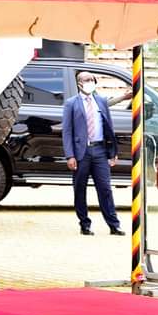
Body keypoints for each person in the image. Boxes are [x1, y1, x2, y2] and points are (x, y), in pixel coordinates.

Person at [62, 70, 123, 236]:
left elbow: (108, 126)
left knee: (105, 188)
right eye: (84, 79)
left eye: (91, 79)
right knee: (80, 189)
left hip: (100, 151)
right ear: (79, 83)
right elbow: (67, 131)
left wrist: (112, 151)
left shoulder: (100, 101)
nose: (88, 82)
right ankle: (84, 224)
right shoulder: (71, 103)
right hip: (81, 152)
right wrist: (70, 155)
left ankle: (113, 224)